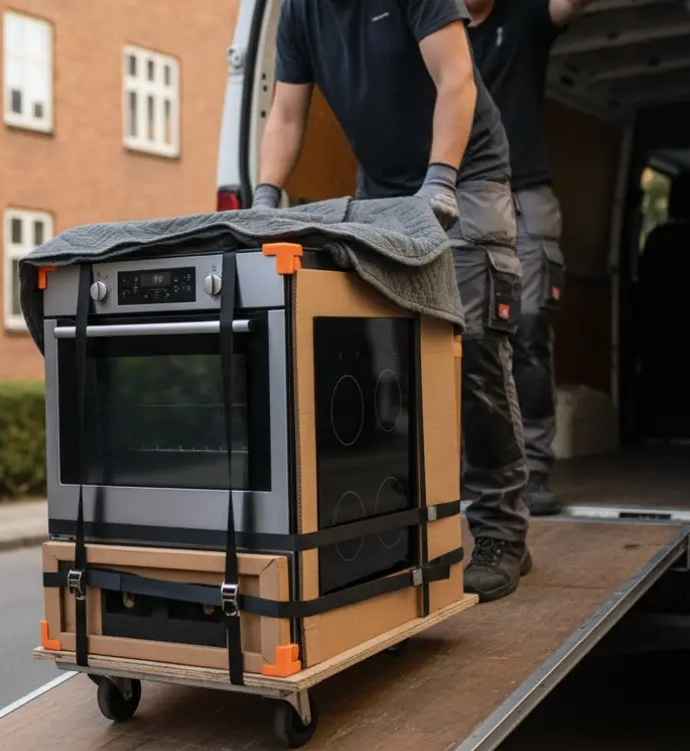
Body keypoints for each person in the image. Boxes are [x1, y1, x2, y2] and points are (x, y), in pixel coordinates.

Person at [253, 0, 532, 602]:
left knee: (475, 351)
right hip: (381, 194)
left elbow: (455, 75)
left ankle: (502, 532)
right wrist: (264, 199)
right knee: (387, 365)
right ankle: (402, 535)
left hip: (467, 169)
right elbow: (286, 111)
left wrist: (440, 179)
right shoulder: (299, 13)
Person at [465, 0, 592, 515]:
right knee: (465, 338)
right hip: (461, 194)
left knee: (531, 331)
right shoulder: (430, 22)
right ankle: (470, 470)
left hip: (526, 192)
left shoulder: (523, 15)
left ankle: (535, 468)